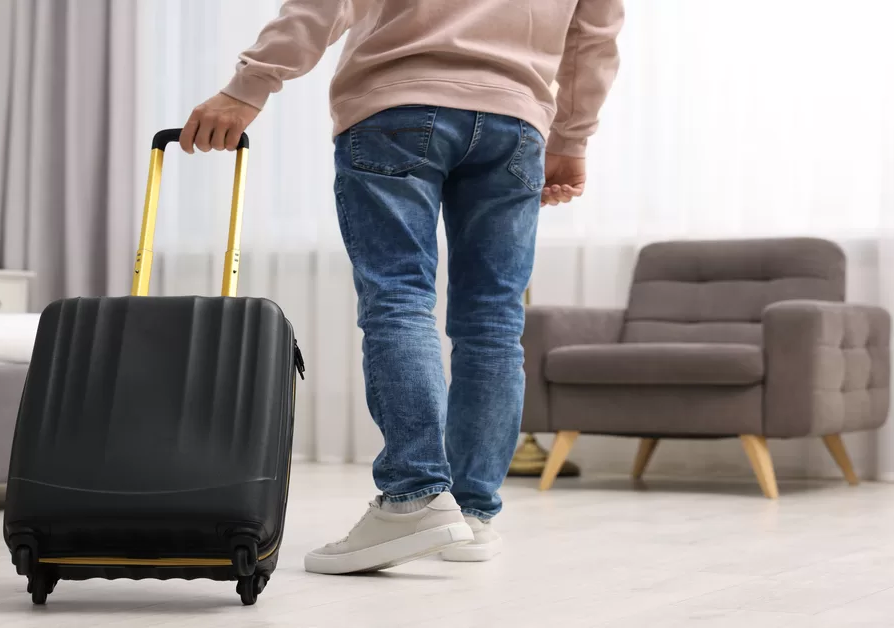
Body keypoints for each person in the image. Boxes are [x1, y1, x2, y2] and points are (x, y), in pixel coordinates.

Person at [181, 0, 623, 575]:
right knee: (493, 320)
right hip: (516, 123)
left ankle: (415, 498)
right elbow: (596, 36)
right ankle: (472, 513)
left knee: (398, 299)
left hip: (398, 104)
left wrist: (250, 85)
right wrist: (572, 138)